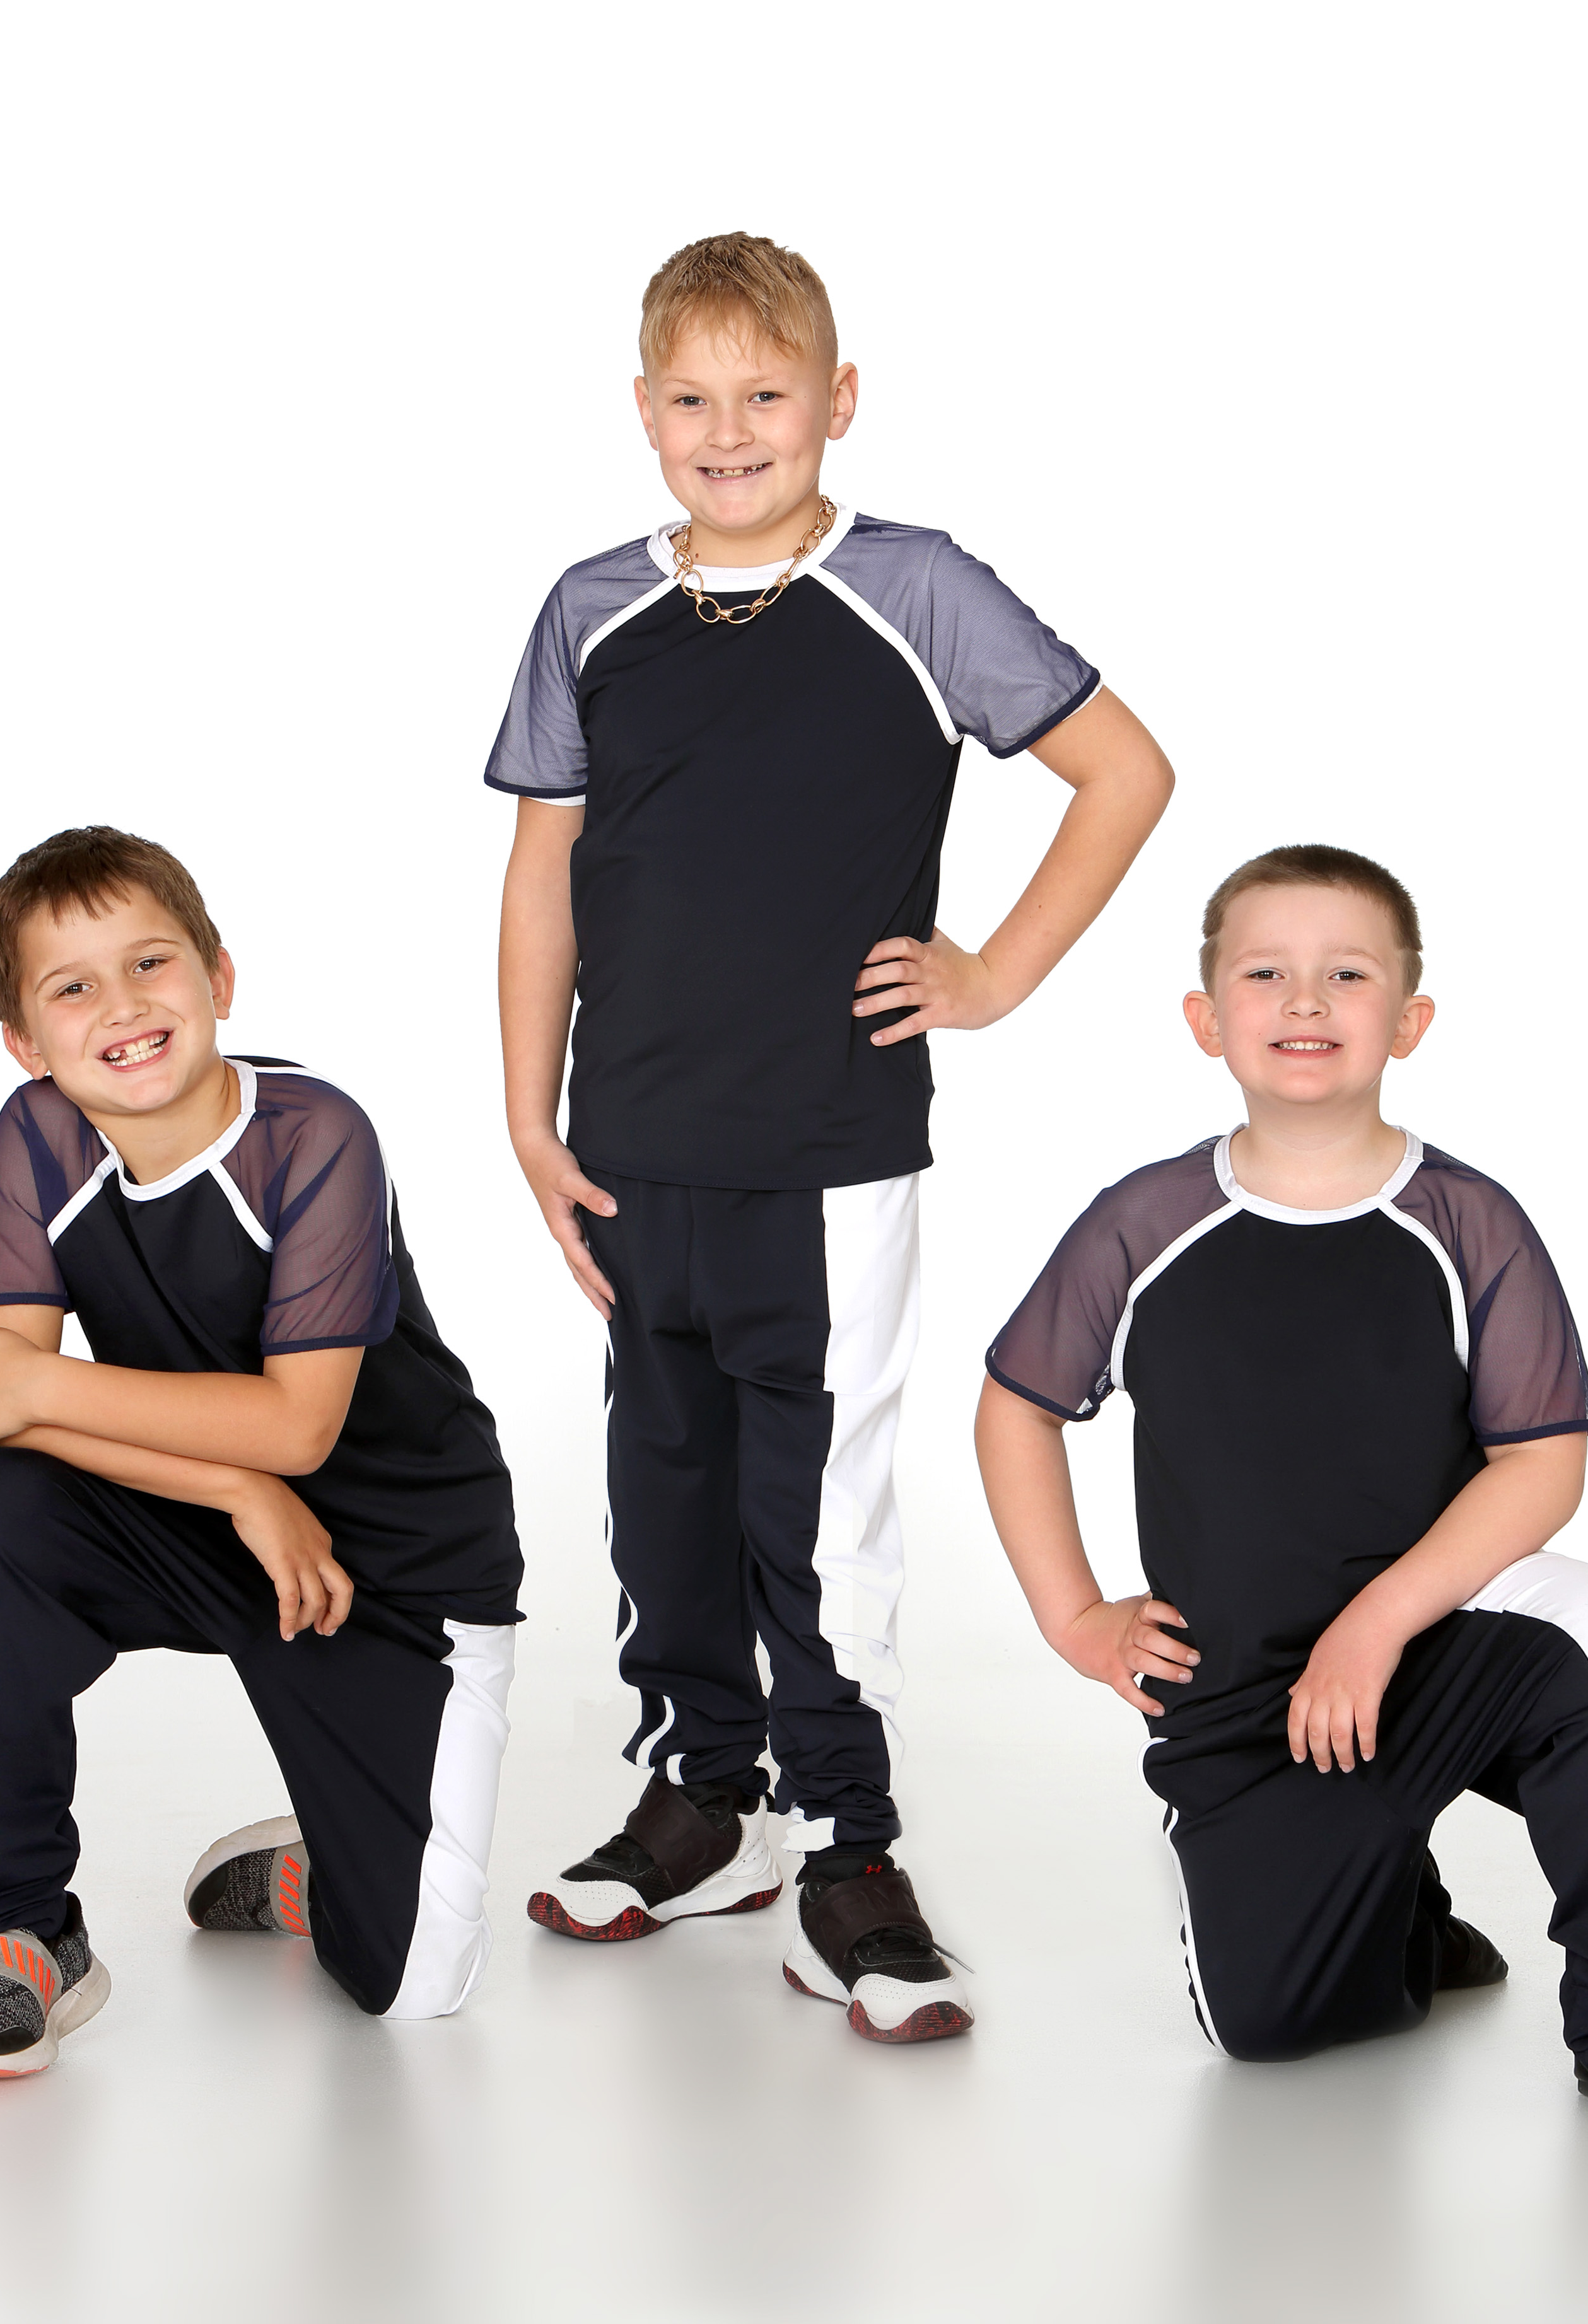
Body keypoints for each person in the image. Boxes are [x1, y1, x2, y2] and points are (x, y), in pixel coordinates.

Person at [486, 232, 1174, 2042]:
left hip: (824, 1148)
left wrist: (992, 974)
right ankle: (705, 1798)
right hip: (635, 1144)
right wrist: (527, 1113)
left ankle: (845, 1847)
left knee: (820, 1505)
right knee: (668, 1486)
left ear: (839, 400)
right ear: (644, 414)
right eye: (693, 400)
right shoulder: (588, 610)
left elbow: (1125, 772)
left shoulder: (913, 587)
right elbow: (546, 867)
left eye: (768, 395)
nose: (731, 432)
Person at [974, 845, 1588, 2123]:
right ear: (1206, 1020)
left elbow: (1542, 1464)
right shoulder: (1143, 1224)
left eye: (1346, 974)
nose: (1305, 1000)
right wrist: (1076, 1616)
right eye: (1266, 974)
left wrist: (1378, 1624)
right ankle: (1401, 1902)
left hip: (1444, 1647)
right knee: (1272, 2031)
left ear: (1409, 1020)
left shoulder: (1467, 1221)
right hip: (1248, 1702)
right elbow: (1017, 1406)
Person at [0, 825, 525, 2079]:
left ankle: (319, 1866)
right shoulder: (37, 1135)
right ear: (25, 1041)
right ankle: (17, 1930)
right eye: (72, 986)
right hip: (215, 1526)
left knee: (413, 1988)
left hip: (396, 1567)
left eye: (151, 963)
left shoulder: (316, 1135)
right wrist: (235, 1489)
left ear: (219, 979)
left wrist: (49, 1385)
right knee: (1, 1510)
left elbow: (299, 1424)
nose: (122, 1006)